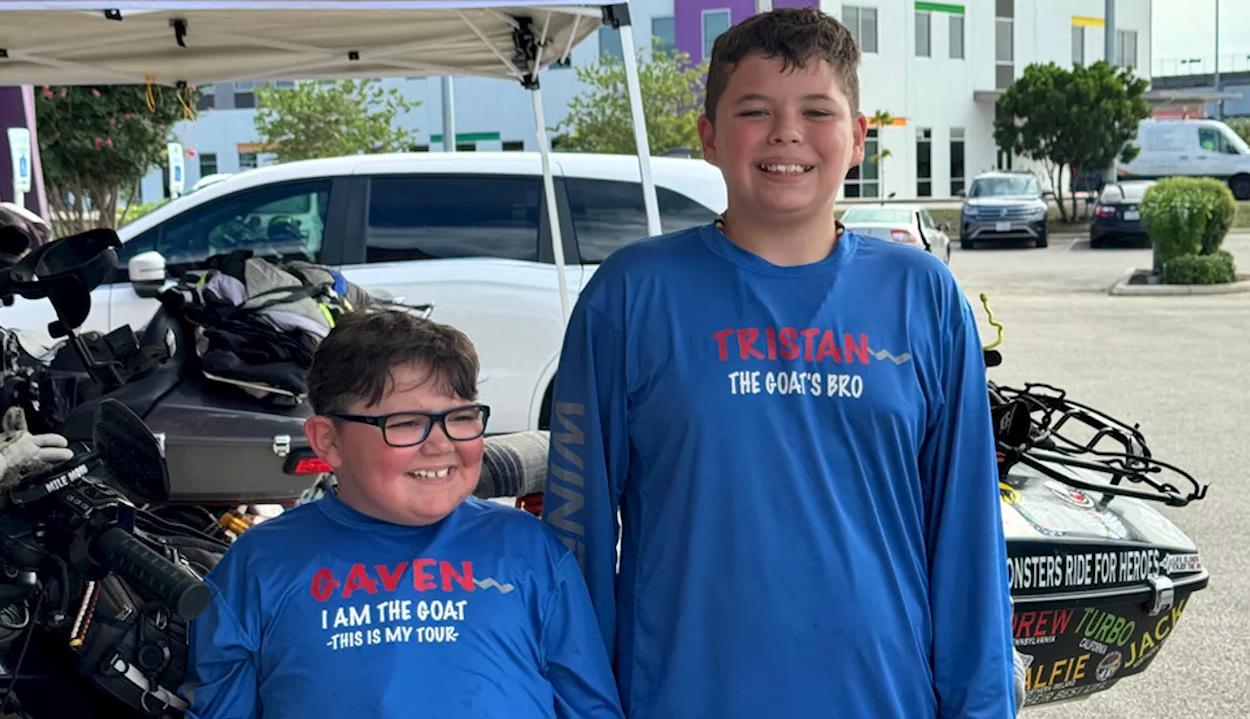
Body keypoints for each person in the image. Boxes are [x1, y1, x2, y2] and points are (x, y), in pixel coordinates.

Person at [541, 8, 1015, 719]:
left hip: (882, 698)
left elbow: (968, 536)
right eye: (754, 110)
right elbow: (574, 532)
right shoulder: (630, 296)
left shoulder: (922, 296)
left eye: (817, 110)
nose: (787, 133)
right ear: (708, 136)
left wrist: (982, 707)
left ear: (858, 138)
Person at [186, 308, 625, 719]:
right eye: (405, 423)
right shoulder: (259, 563)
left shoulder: (530, 548)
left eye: (461, 417)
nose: (441, 444)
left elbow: (590, 707)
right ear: (328, 441)